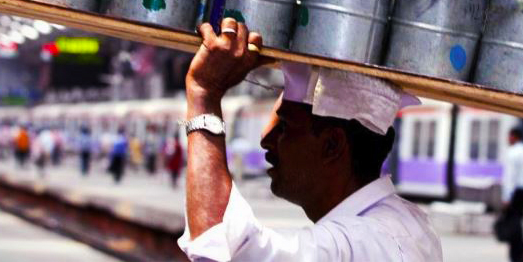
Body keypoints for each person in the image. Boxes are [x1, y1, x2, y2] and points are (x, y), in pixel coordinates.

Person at [177, 17, 442, 261]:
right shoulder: (407, 225)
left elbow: (220, 249)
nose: (266, 140)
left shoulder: (361, 242)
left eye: (285, 126)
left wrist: (205, 95)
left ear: (331, 145)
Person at [499, 127, 523, 262]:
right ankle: (520, 251)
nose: (507, 140)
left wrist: (506, 197)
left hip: (515, 192)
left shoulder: (512, 152)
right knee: (518, 221)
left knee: (514, 223)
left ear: (514, 137)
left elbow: (510, 177)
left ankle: (518, 252)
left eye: (509, 137)